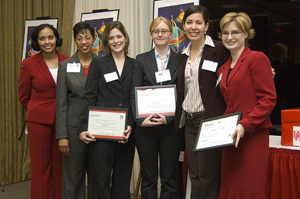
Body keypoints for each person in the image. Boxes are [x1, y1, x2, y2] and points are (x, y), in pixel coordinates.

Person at [217, 12, 276, 198]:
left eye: (235, 32)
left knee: (249, 187)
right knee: (230, 186)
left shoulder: (257, 58)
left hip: (253, 133)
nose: (229, 37)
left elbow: (268, 99)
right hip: (231, 135)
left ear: (246, 34)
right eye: (225, 33)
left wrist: (245, 124)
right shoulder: (223, 68)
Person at [174, 5, 231, 199]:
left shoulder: (220, 49)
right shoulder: (182, 55)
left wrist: (265, 70)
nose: (194, 27)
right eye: (189, 22)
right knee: (195, 174)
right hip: (189, 122)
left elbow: (241, 64)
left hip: (210, 121)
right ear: (183, 26)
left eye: (199, 22)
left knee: (208, 176)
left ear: (207, 26)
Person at [77, 21, 135, 199]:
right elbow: (89, 96)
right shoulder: (99, 63)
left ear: (125, 38)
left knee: (122, 179)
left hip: (126, 132)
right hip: (101, 132)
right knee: (100, 179)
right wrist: (81, 127)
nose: (116, 41)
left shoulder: (136, 64)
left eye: (119, 36)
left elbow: (136, 98)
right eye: (111, 38)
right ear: (106, 42)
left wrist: (131, 124)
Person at [131, 16, 180, 199]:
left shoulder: (180, 59)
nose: (160, 34)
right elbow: (133, 92)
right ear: (151, 34)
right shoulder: (141, 60)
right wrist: (139, 120)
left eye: (164, 31)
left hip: (170, 128)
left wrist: (171, 117)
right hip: (145, 128)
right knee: (149, 177)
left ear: (171, 33)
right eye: (156, 31)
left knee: (169, 177)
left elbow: (183, 94)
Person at [18, 24, 69, 199]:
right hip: (38, 122)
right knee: (40, 167)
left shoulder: (68, 61)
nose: (47, 42)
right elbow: (24, 96)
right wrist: (38, 111)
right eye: (42, 38)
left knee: (59, 166)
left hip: (62, 122)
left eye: (50, 37)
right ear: (37, 42)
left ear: (56, 39)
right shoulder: (28, 64)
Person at [56, 21, 97, 199]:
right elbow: (61, 103)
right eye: (80, 38)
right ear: (75, 41)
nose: (84, 41)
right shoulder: (65, 66)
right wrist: (62, 135)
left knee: (97, 177)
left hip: (98, 128)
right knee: (73, 178)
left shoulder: (103, 63)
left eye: (87, 37)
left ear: (94, 40)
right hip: (72, 131)